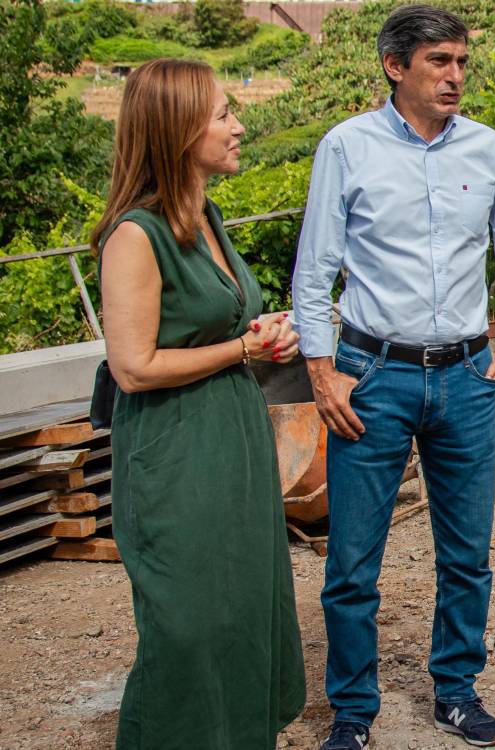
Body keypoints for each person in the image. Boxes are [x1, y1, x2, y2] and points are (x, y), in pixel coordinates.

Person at [290, 5, 495, 749]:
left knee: (466, 553)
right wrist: (320, 371)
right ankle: (353, 712)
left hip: (466, 375)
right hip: (372, 376)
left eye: (462, 62)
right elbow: (316, 268)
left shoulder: (486, 148)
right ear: (395, 67)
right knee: (352, 561)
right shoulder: (348, 147)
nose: (456, 76)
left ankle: (456, 691)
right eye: (439, 62)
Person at [93, 58, 305, 749]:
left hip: (233, 443)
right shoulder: (135, 234)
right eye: (222, 114)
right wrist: (243, 351)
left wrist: (262, 331)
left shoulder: (206, 215)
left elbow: (215, 322)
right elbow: (134, 366)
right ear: (178, 131)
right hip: (174, 454)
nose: (238, 126)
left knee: (241, 613)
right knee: (186, 629)